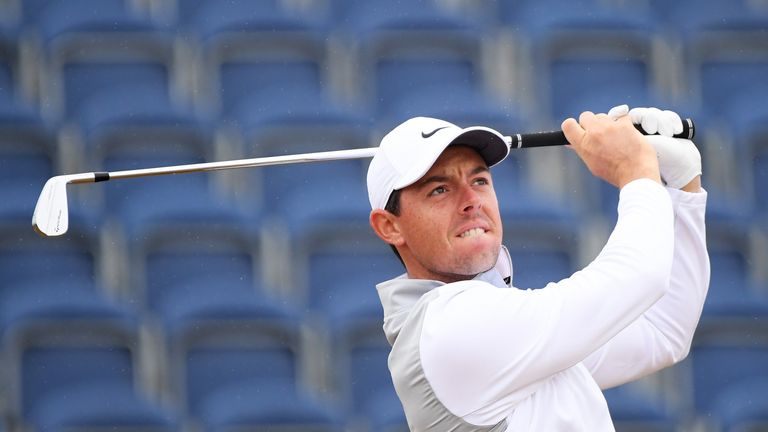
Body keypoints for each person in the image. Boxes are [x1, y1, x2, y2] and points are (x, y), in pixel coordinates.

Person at [365, 105, 709, 431]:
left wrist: (681, 187)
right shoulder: (447, 328)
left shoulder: (499, 327)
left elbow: (662, 331)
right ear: (389, 227)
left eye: (480, 181)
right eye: (440, 189)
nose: (471, 201)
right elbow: (639, 276)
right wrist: (637, 172)